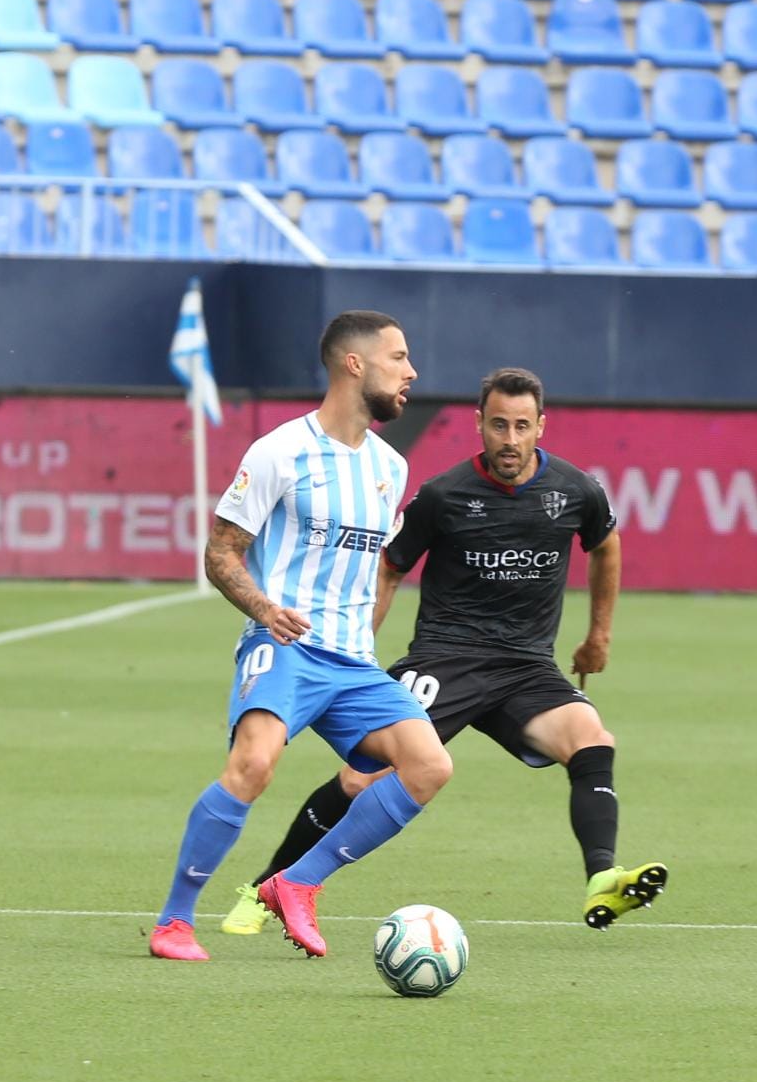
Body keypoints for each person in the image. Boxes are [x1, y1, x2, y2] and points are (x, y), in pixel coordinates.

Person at [222, 366, 667, 938]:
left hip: (526, 668)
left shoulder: (575, 491)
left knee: (593, 740)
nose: (510, 440)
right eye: (499, 425)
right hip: (443, 661)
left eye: (522, 426)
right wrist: (359, 647)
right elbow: (389, 568)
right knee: (363, 778)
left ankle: (602, 876)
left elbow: (606, 545)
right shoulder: (443, 495)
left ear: (541, 427)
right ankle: (266, 890)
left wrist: (598, 635)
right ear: (479, 424)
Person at [150, 310, 453, 962]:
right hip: (283, 645)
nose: (411, 371)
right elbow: (221, 553)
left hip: (353, 663)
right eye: (398, 357)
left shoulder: (390, 469)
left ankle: (297, 883)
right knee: (254, 764)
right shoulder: (279, 452)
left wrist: (367, 645)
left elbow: (372, 570)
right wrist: (264, 609)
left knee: (429, 765)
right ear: (354, 364)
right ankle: (174, 921)